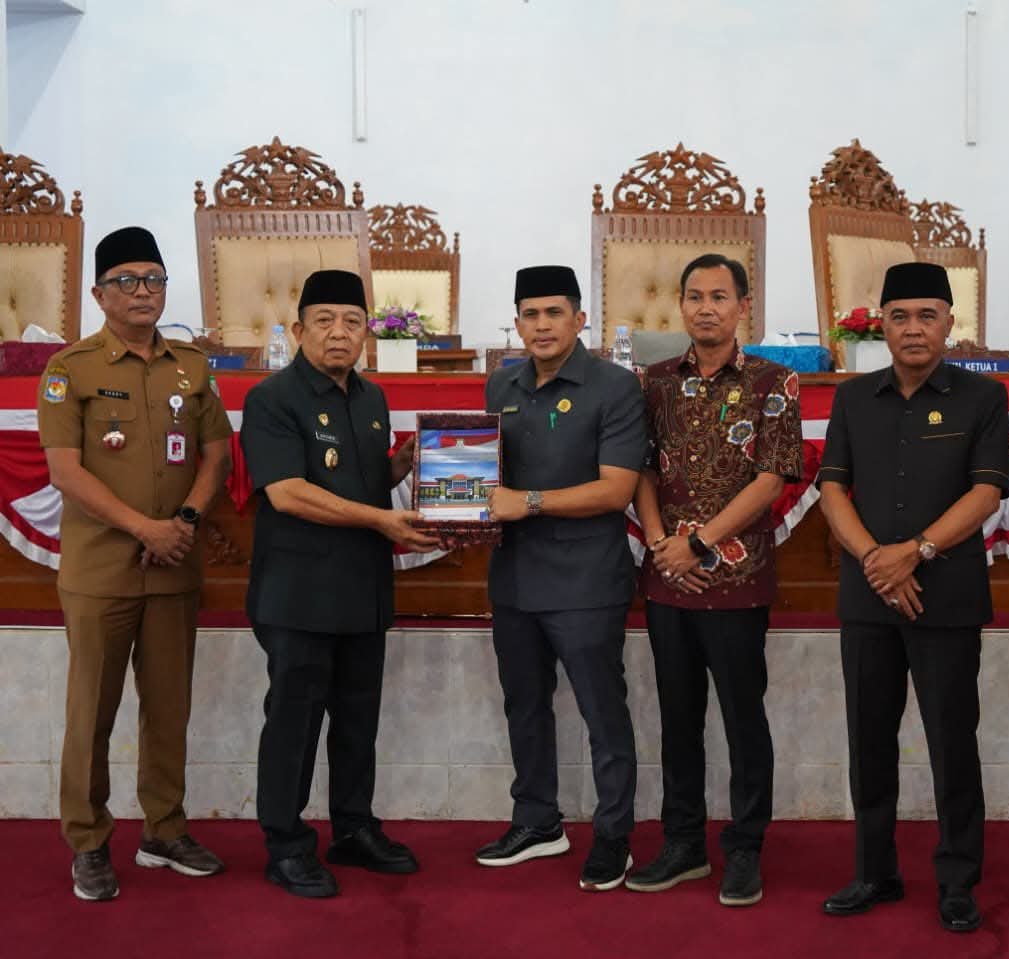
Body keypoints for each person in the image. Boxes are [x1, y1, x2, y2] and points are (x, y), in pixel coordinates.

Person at [38, 226, 232, 901]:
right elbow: (65, 472)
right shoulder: (70, 369)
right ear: (99, 294)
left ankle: (165, 830)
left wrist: (183, 522)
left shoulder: (191, 366)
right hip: (101, 572)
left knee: (169, 709)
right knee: (91, 711)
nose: (143, 291)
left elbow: (216, 454)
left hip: (174, 565)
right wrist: (144, 527)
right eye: (126, 280)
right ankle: (88, 841)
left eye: (154, 278)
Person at [816, 262, 1009, 933]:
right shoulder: (852, 397)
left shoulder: (983, 398)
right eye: (899, 316)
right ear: (882, 324)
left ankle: (957, 879)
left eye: (928, 315)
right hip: (867, 596)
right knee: (869, 740)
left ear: (950, 322)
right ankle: (875, 871)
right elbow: (832, 488)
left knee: (952, 743)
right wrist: (878, 560)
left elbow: (987, 491)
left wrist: (915, 551)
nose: (914, 328)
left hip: (946, 595)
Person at [240, 269, 439, 898]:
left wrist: (401, 465)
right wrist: (382, 519)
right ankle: (285, 843)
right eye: (324, 320)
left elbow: (363, 481)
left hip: (362, 588)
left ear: (367, 334)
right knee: (294, 723)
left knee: (357, 720)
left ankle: (353, 827)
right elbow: (288, 492)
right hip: (298, 593)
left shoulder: (372, 399)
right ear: (299, 329)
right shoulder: (272, 399)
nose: (339, 333)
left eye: (353, 322)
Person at [625, 253, 803, 908]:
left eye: (719, 296)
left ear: (742, 306)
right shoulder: (654, 382)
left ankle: (746, 847)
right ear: (681, 305)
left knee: (742, 719)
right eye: (695, 296)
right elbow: (641, 469)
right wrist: (660, 545)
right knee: (677, 719)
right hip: (669, 578)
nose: (706, 308)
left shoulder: (773, 381)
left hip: (736, 578)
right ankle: (683, 844)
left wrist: (699, 544)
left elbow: (771, 478)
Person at [476, 265, 647, 893]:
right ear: (517, 323)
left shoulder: (615, 386)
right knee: (524, 705)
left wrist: (527, 502)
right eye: (531, 314)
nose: (542, 325)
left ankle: (614, 836)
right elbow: (486, 475)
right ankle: (537, 822)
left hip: (585, 580)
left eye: (554, 313)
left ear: (580, 319)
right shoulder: (502, 384)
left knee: (603, 713)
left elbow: (616, 489)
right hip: (515, 576)